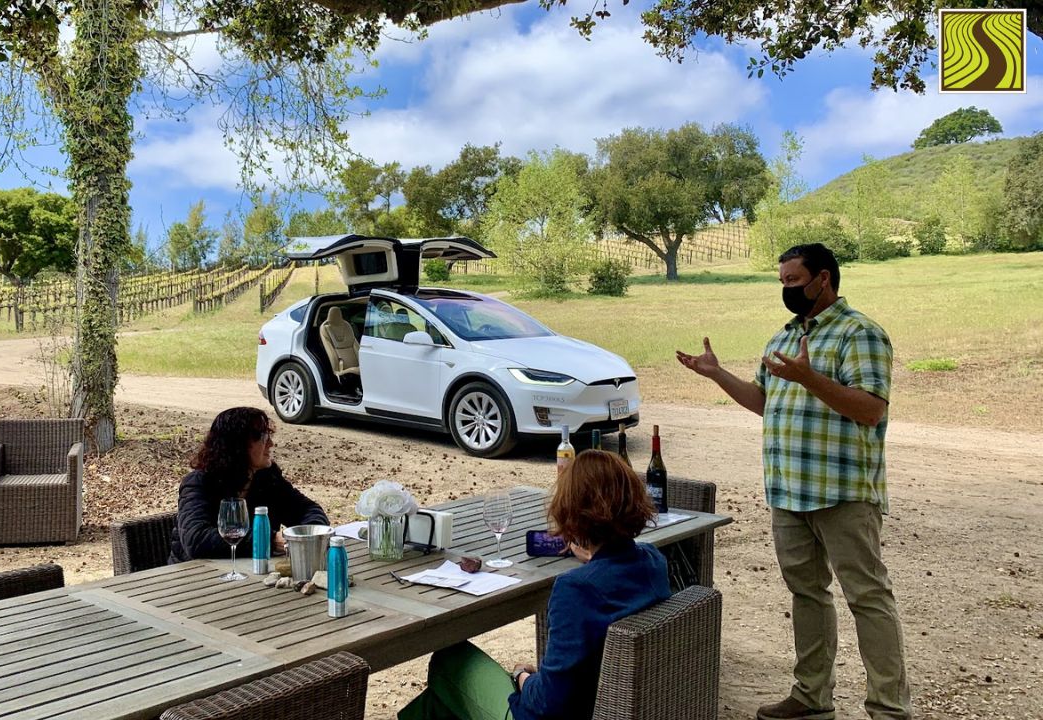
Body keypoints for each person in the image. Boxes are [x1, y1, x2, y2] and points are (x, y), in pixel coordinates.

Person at [676, 243, 911, 720]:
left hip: (842, 491)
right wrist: (718, 374)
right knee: (807, 594)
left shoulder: (859, 334)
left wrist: (811, 379)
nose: (786, 290)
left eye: (793, 281)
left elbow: (870, 409)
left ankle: (889, 710)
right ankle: (811, 697)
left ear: (823, 279)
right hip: (788, 491)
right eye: (781, 282)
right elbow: (765, 401)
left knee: (867, 597)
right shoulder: (782, 338)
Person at [397, 450, 670, 720]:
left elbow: (544, 705)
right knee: (438, 702)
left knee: (451, 659)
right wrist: (592, 557)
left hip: (559, 712)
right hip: (608, 702)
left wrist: (522, 677)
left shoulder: (576, 589)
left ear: (573, 514)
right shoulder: (653, 560)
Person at [168, 406, 329, 563]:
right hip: (193, 577)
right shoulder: (199, 483)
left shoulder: (267, 477)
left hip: (253, 572)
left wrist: (309, 536)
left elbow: (308, 509)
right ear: (238, 445)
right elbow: (196, 540)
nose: (271, 444)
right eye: (263, 438)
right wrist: (269, 540)